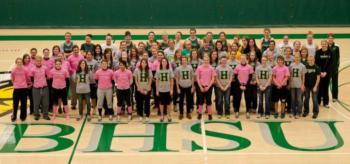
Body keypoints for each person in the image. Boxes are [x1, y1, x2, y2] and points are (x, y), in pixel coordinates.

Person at [29, 56, 51, 120]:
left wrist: (43, 83)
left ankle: (45, 115)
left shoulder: (45, 68)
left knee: (46, 103)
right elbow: (31, 78)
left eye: (40, 61)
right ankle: (36, 115)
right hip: (36, 88)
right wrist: (36, 84)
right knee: (36, 103)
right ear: (35, 61)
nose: (38, 62)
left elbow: (48, 76)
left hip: (44, 88)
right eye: (37, 61)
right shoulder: (32, 69)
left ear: (41, 61)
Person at [196, 56, 216, 120]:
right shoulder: (199, 68)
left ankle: (210, 114)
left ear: (209, 60)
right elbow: (197, 78)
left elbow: (213, 78)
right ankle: (199, 113)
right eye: (205, 60)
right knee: (200, 101)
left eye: (207, 60)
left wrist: (208, 87)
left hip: (208, 87)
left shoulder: (211, 68)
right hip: (201, 87)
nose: (206, 61)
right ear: (203, 61)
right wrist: (200, 86)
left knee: (208, 101)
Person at [233, 54, 253, 119]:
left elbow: (250, 77)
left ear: (246, 59)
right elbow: (236, 77)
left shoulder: (249, 67)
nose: (243, 60)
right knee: (238, 98)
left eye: (244, 59)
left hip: (247, 85)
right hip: (239, 85)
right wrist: (240, 85)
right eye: (241, 59)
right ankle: (237, 111)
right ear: (240, 59)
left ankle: (247, 111)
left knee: (248, 98)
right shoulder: (237, 67)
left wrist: (245, 85)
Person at [11, 58, 30, 122]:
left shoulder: (25, 70)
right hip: (16, 89)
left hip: (24, 89)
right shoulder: (13, 70)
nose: (19, 63)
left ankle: (23, 116)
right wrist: (16, 84)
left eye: (20, 62)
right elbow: (12, 79)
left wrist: (25, 84)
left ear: (22, 63)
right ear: (16, 63)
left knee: (23, 103)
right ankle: (14, 116)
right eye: (18, 62)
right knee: (15, 104)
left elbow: (27, 78)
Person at [156, 58, 174, 122]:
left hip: (168, 90)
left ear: (167, 63)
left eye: (165, 61)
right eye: (162, 61)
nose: (164, 62)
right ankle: (162, 115)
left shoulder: (169, 71)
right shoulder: (158, 71)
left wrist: (171, 89)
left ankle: (169, 115)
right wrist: (157, 90)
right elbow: (157, 81)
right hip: (161, 90)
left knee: (169, 104)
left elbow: (172, 80)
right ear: (161, 63)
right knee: (161, 104)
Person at [315, 40, 333, 108]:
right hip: (319, 73)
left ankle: (326, 102)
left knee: (325, 88)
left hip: (327, 74)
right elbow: (316, 63)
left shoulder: (330, 52)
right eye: (322, 44)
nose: (324, 45)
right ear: (321, 44)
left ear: (327, 44)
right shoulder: (318, 52)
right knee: (319, 88)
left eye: (325, 44)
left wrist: (326, 72)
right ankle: (318, 102)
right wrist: (320, 72)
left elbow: (331, 64)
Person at [289, 53, 306, 119]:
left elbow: (303, 76)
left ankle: (299, 112)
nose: (297, 58)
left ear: (300, 58)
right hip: (293, 84)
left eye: (298, 57)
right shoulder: (291, 65)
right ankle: (293, 112)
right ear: (294, 58)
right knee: (293, 99)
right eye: (296, 57)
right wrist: (289, 83)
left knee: (299, 99)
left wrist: (303, 84)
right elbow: (290, 75)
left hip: (299, 85)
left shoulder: (302, 66)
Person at [328, 33, 340, 102]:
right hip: (327, 69)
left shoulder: (336, 47)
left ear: (333, 39)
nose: (330, 39)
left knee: (335, 83)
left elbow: (338, 58)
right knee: (325, 83)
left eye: (331, 38)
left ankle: (334, 97)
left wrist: (337, 67)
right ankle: (324, 97)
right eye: (329, 38)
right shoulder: (325, 46)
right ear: (328, 39)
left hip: (334, 68)